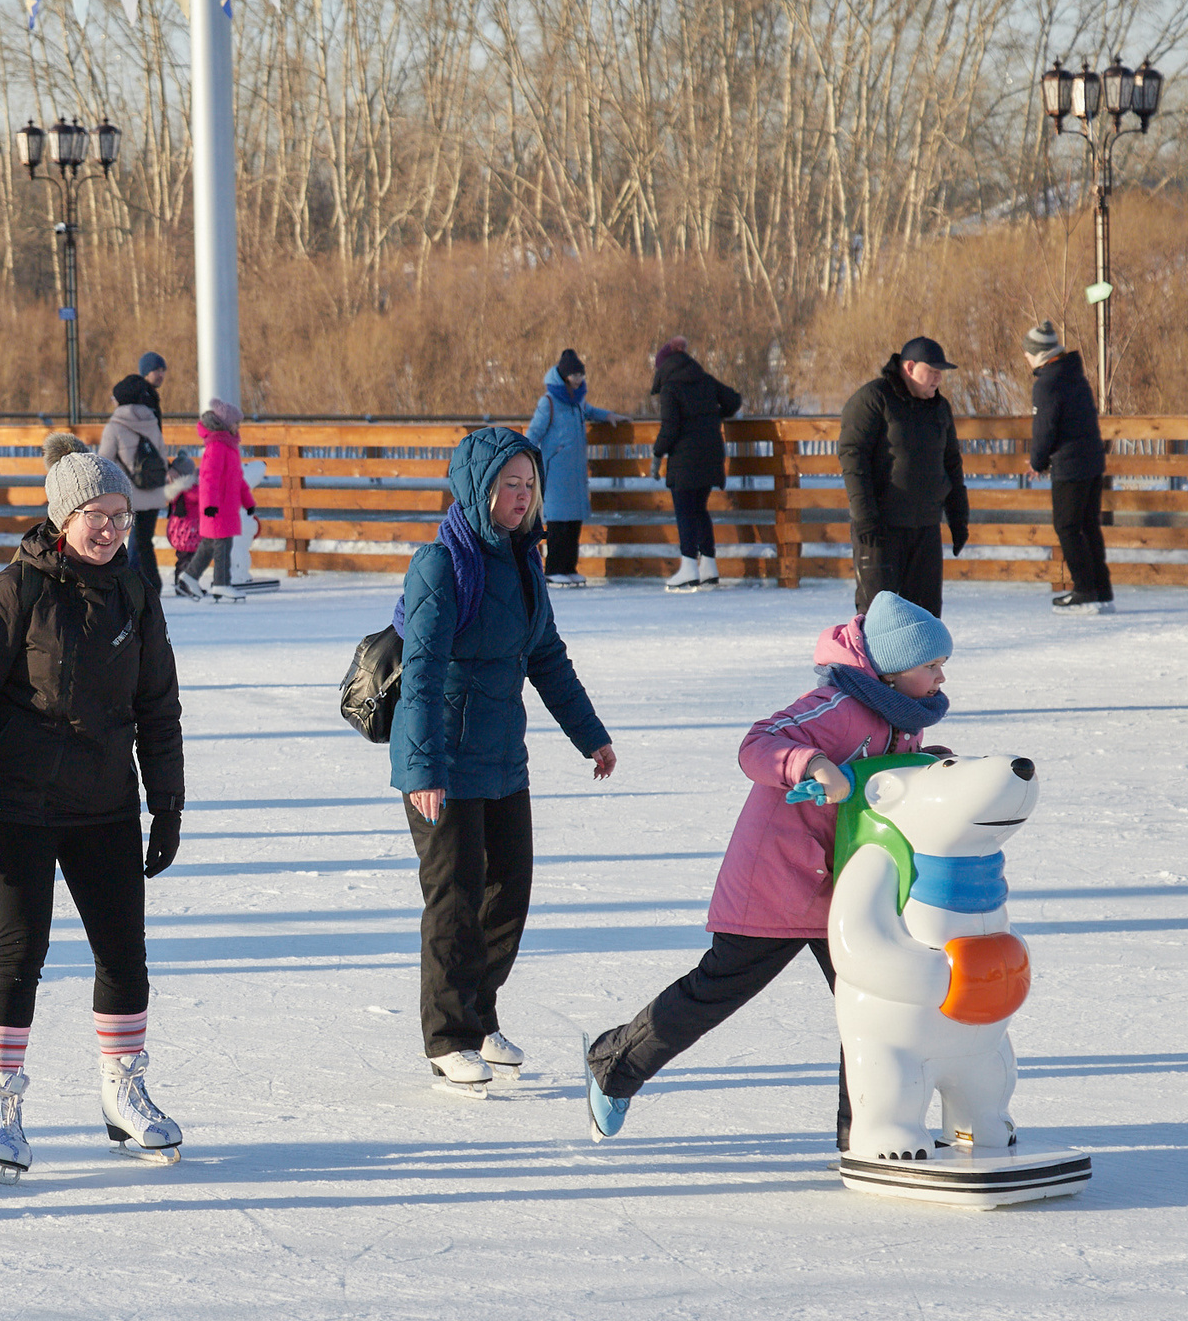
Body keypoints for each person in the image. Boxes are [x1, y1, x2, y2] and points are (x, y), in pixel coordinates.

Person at [583, 592, 951, 1143]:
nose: (941, 677)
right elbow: (758, 743)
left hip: (849, 887)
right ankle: (617, 1064)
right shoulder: (837, 706)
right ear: (894, 671)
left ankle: (869, 1136)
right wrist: (813, 761)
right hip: (776, 880)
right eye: (932, 666)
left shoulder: (902, 717)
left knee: (873, 1007)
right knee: (717, 990)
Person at [0, 438, 187, 1178]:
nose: (109, 529)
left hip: (104, 801)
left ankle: (123, 1095)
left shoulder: (135, 595)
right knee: (20, 952)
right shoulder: (12, 593)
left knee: (123, 952)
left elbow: (158, 706)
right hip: (14, 802)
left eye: (120, 517)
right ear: (62, 516)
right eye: (94, 515)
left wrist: (165, 803)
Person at [392, 426, 616, 1093]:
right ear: (477, 488)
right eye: (508, 486)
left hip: (501, 760)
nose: (520, 498)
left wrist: (590, 734)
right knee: (453, 900)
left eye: (528, 486)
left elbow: (545, 656)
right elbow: (423, 672)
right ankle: (447, 1036)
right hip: (445, 764)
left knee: (507, 894)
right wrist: (423, 770)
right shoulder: (441, 562)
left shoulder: (524, 560)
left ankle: (479, 1012)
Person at [838, 335, 970, 618]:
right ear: (909, 367)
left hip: (925, 528)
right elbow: (853, 458)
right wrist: (864, 517)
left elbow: (951, 464)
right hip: (880, 529)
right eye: (932, 371)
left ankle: (922, 664)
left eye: (940, 373)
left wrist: (958, 518)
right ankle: (873, 663)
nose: (938, 379)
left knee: (925, 617)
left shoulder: (939, 407)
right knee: (879, 616)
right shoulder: (874, 399)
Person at [1025, 320, 1112, 613]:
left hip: (1070, 466)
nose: (1026, 359)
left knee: (1068, 527)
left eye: (1028, 353)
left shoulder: (1047, 383)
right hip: (1091, 461)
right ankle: (1101, 590)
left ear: (1039, 354)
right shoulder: (1074, 376)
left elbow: (1045, 429)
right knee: (1088, 526)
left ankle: (1086, 590)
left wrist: (1037, 461)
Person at [649, 337, 744, 593]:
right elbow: (734, 400)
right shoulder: (705, 380)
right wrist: (709, 417)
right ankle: (709, 566)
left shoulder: (671, 389)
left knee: (684, 511)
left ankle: (689, 566)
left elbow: (670, 428)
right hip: (711, 455)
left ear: (664, 366)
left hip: (685, 460)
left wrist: (657, 454)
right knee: (699, 509)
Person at [527, 349, 619, 589]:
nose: (579, 378)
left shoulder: (577, 400)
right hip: (556, 471)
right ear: (564, 375)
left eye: (581, 374)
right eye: (575, 374)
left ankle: (569, 567)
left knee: (574, 521)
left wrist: (608, 415)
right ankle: (554, 569)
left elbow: (590, 411)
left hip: (576, 472)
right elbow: (534, 432)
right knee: (558, 521)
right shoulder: (548, 402)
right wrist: (526, 455)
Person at [98, 375, 192, 593]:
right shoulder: (151, 421)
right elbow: (160, 456)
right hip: (153, 492)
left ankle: (135, 586)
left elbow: (105, 461)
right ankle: (151, 585)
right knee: (144, 542)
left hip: (128, 495)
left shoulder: (114, 426)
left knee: (115, 538)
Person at [175, 398, 255, 602]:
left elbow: (237, 479)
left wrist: (248, 501)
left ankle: (190, 576)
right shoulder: (217, 446)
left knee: (211, 544)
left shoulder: (229, 446)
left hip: (226, 506)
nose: (238, 427)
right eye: (236, 423)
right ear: (226, 424)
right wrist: (210, 505)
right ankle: (221, 584)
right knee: (222, 546)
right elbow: (208, 479)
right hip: (217, 507)